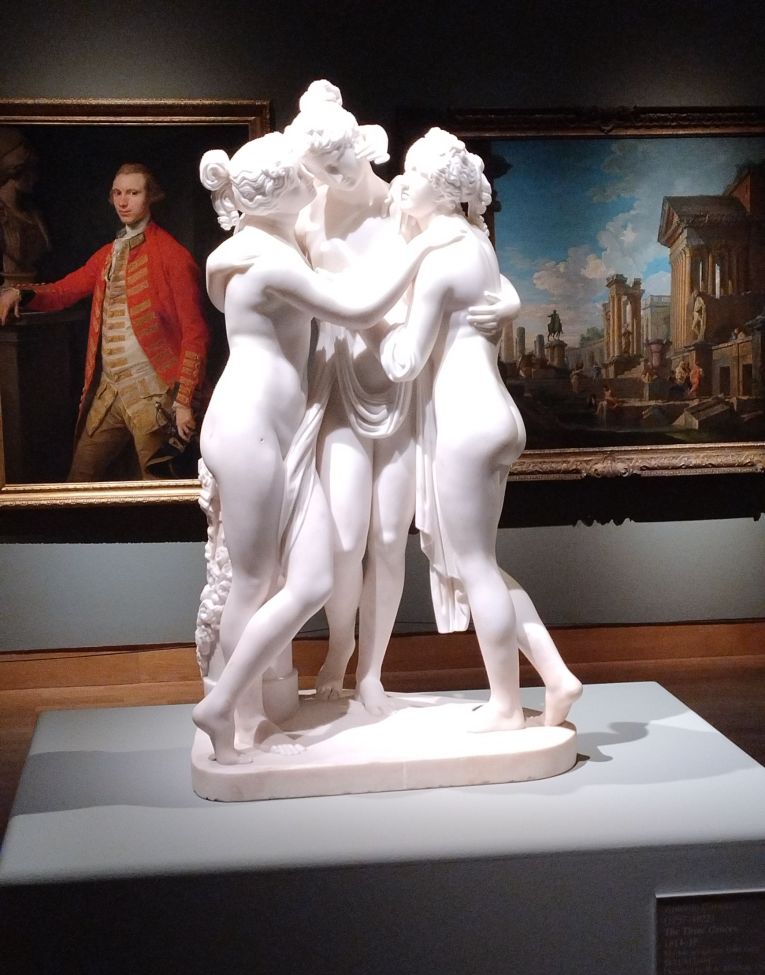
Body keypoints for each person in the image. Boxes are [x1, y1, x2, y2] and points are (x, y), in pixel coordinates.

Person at [192, 132, 462, 764]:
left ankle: (224, 707)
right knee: (254, 580)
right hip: (250, 428)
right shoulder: (268, 259)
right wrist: (422, 249)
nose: (312, 182)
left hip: (281, 430)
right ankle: (241, 725)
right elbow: (358, 307)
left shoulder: (254, 247)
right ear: (280, 195)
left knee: (310, 579)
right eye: (300, 176)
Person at [287, 81, 519, 715]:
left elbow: (471, 261)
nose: (333, 177)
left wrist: (509, 302)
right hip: (342, 380)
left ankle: (372, 671)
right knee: (343, 536)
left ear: (364, 148)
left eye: (340, 162)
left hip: (403, 387)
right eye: (321, 170)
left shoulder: (404, 203)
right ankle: (339, 645)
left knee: (389, 536)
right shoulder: (308, 219)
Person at [366, 127, 582, 730]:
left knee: (476, 567)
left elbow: (405, 362)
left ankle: (506, 706)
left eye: (413, 174)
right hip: (495, 416)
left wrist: (369, 321)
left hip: (466, 423)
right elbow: (501, 292)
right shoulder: (477, 242)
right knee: (480, 563)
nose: (402, 184)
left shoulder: (439, 262)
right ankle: (557, 677)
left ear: (438, 189)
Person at [0, 163, 210, 481]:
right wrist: (20, 292)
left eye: (133, 193)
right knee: (79, 481)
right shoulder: (109, 254)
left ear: (150, 197)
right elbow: (64, 291)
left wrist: (183, 402)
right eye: (117, 193)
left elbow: (196, 333)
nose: (123, 201)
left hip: (153, 394)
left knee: (155, 488)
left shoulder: (173, 255)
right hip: (109, 391)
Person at [0, 127, 50, 287]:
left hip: (34, 291)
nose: (36, 177)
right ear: (13, 170)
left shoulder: (34, 214)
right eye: (30, 170)